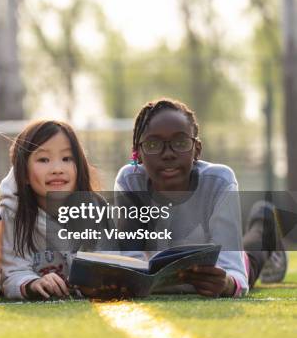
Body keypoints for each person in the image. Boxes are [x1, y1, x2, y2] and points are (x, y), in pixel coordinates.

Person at [113, 98, 286, 298]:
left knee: (250, 259)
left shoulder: (220, 181)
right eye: (153, 144)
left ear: (197, 149)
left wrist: (227, 284)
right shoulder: (129, 182)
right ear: (138, 154)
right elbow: (129, 265)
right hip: (167, 272)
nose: (168, 154)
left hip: (216, 265)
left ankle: (265, 220)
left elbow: (233, 270)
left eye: (180, 142)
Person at [0, 120, 103, 300]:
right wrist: (33, 284)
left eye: (67, 159)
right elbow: (11, 274)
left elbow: (106, 265)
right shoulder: (11, 212)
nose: (57, 169)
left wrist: (93, 284)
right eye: (43, 159)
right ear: (23, 174)